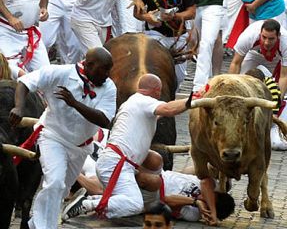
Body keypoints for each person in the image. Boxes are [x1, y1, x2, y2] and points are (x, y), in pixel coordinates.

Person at [9, 47, 117, 229]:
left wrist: (75, 104)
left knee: (61, 190)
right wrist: (19, 107)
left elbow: (105, 120)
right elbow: (25, 82)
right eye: (104, 69)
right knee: (55, 183)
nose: (108, 74)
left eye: (109, 70)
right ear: (89, 65)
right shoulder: (59, 73)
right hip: (53, 137)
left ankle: (33, 224)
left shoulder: (109, 87)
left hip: (81, 147)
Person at [63, 74, 192, 220]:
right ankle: (87, 204)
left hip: (117, 162)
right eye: (160, 92)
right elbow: (168, 109)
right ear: (157, 91)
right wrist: (191, 101)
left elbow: (161, 113)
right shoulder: (143, 101)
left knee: (149, 170)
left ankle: (93, 201)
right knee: (134, 204)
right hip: (116, 163)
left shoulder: (133, 103)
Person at [135, 0, 197, 85]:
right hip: (154, 33)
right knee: (156, 72)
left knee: (179, 77)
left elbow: (192, 12)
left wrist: (174, 16)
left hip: (178, 35)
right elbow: (137, 13)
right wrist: (149, 18)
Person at [228, 19, 287, 102]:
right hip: (254, 55)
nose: (267, 42)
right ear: (260, 34)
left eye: (271, 39)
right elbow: (235, 63)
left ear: (279, 36)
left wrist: (278, 100)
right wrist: (231, 92)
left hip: (277, 59)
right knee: (240, 80)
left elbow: (284, 76)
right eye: (264, 37)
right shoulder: (248, 36)